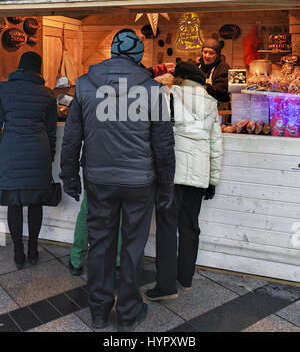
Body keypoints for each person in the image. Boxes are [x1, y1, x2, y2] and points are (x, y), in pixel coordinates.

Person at [59, 29, 175, 332]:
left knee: (100, 246)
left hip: (99, 179)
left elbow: (71, 138)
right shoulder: (152, 89)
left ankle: (98, 313)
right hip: (140, 181)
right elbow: (163, 144)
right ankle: (127, 312)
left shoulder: (85, 84)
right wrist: (166, 186)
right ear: (138, 56)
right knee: (133, 248)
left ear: (112, 53)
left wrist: (69, 176)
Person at [146, 62, 223, 300]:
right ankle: (185, 278)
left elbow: (157, 134)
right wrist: (212, 179)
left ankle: (166, 286)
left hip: (173, 173)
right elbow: (215, 144)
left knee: (167, 228)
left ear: (179, 78)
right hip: (199, 175)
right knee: (190, 226)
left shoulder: (168, 96)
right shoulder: (211, 103)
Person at [0, 52, 57, 269]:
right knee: (36, 203)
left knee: (14, 203)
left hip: (11, 150)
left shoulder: (3, 89)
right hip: (38, 151)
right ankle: (33, 249)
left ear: (20, 67)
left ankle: (17, 253)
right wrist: (49, 156)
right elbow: (51, 131)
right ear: (39, 69)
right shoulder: (48, 94)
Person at [196, 38, 230, 108]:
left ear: (217, 55)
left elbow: (221, 89)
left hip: (218, 108)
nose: (207, 56)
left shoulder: (223, 68)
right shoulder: (197, 67)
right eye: (205, 52)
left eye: (211, 53)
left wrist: (205, 87)